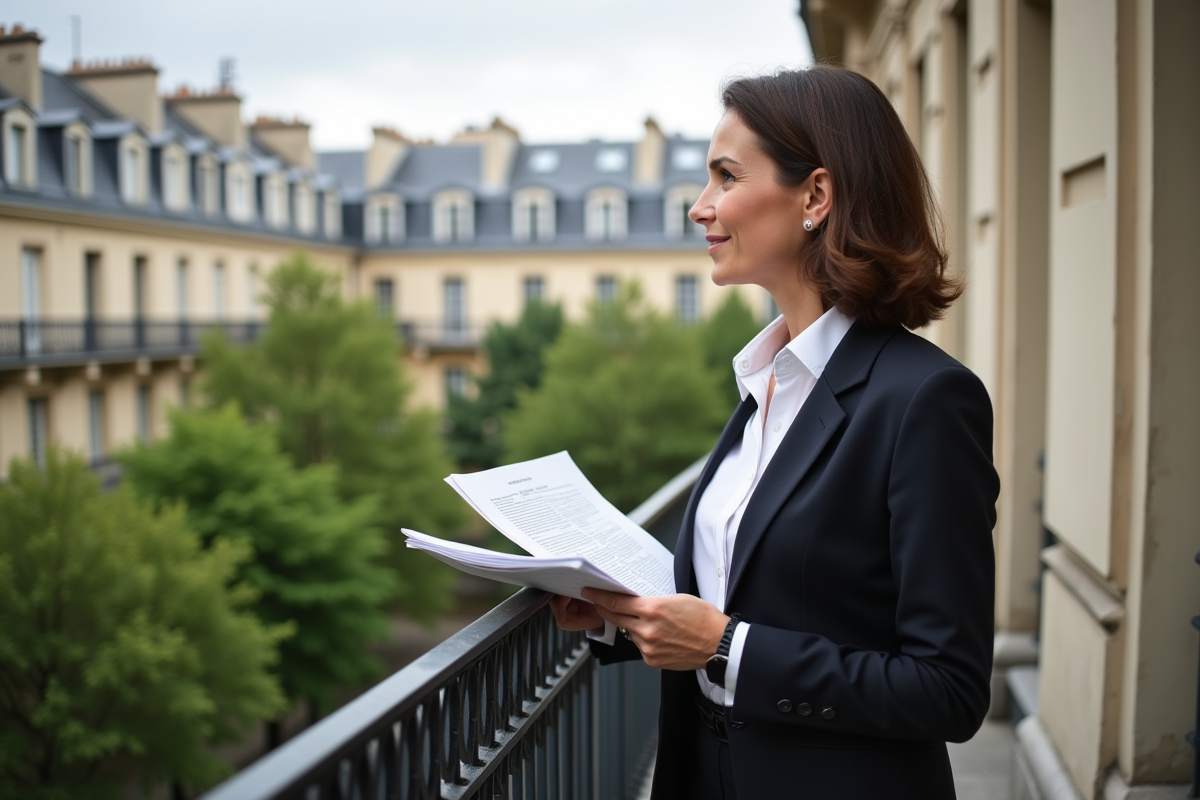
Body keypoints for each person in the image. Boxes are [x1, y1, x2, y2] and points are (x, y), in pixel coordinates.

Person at [551, 65, 999, 800]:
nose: (700, 208)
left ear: (816, 196)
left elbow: (948, 689)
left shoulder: (926, 401)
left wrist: (728, 647)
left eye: (726, 176)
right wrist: (621, 617)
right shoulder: (767, 379)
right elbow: (766, 591)